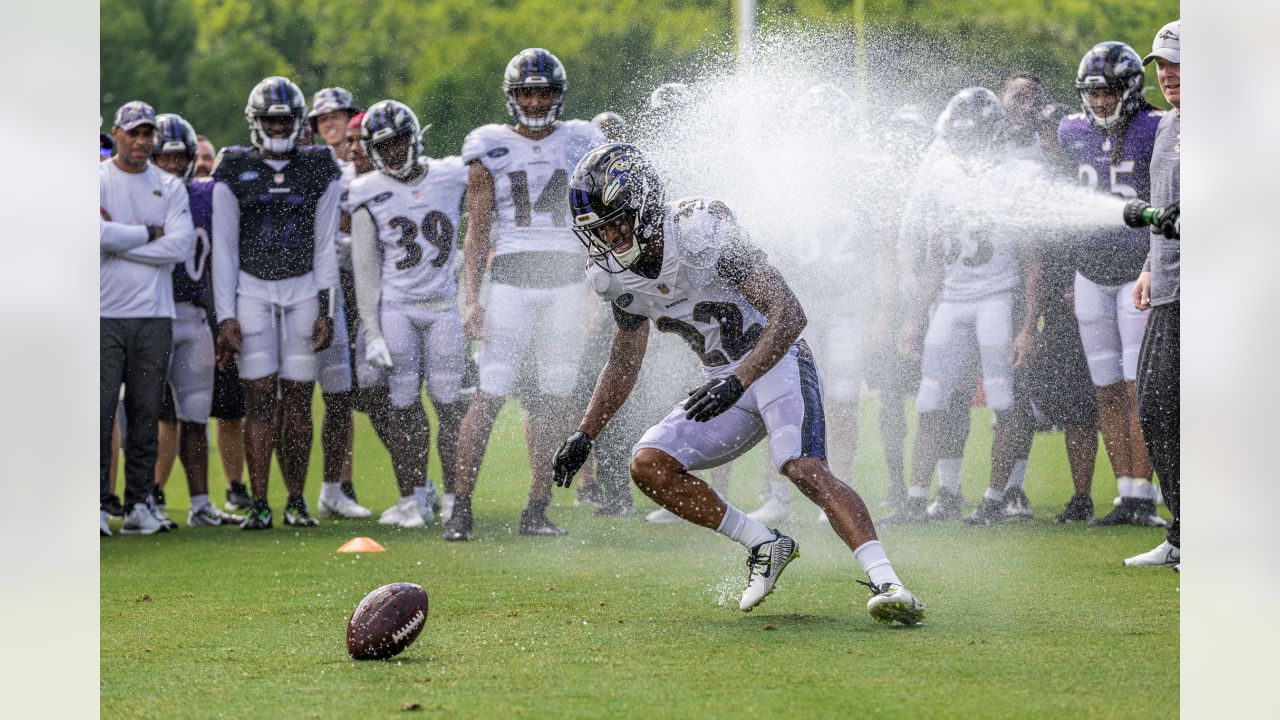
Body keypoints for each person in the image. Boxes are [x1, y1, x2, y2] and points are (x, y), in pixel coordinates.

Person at [551, 144, 923, 623]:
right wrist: (586, 433)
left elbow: (790, 314)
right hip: (723, 382)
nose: (610, 236)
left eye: (618, 220)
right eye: (600, 229)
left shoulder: (700, 233)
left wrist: (740, 378)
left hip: (777, 362)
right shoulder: (613, 278)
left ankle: (889, 583)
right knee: (648, 466)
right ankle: (764, 544)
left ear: (644, 203)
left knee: (802, 467)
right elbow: (623, 359)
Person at [444, 48, 606, 541]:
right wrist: (471, 298)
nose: (535, 101)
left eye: (544, 92)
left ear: (559, 95)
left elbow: (599, 223)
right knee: (489, 393)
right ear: (512, 97)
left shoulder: (583, 140)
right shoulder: (488, 145)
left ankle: (538, 506)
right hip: (511, 278)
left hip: (565, 278)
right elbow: (477, 230)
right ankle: (460, 507)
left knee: (556, 397)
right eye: (526, 92)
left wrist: (596, 293)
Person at [889, 88, 1043, 526]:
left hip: (998, 296)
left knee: (1003, 398)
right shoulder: (945, 175)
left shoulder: (1016, 176)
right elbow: (938, 255)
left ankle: (995, 497)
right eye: (960, 137)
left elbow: (1033, 258)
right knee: (930, 399)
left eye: (972, 137)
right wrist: (915, 317)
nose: (965, 144)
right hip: (952, 300)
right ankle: (918, 497)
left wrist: (1029, 325)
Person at [212, 76, 342, 529]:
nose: (279, 126)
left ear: (297, 121)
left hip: (304, 286)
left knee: (300, 400)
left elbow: (326, 244)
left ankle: (296, 500)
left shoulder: (319, 165)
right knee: (259, 397)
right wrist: (225, 315)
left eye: (285, 119)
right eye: (271, 119)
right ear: (256, 122)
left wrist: (326, 309)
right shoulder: (233, 166)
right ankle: (262, 502)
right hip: (252, 288)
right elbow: (224, 249)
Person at [348, 100, 470, 528]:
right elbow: (365, 268)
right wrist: (372, 330)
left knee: (450, 403)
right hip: (397, 307)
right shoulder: (366, 189)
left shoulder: (452, 173)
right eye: (385, 144)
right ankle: (413, 496)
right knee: (402, 402)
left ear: (415, 138)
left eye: (400, 140)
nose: (395, 150)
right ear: (371, 148)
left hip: (443, 307)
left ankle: (458, 497)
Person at [1059, 42, 1165, 527]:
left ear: (1129, 89)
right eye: (1093, 93)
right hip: (1089, 273)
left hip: (1135, 270)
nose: (1100, 102)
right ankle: (1125, 492)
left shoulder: (1156, 126)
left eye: (1109, 92)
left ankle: (1145, 492)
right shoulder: (1070, 131)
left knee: (1136, 386)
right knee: (1105, 388)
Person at [100, 100, 195, 535]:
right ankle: (97, 505)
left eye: (147, 134)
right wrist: (146, 233)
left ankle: (139, 503)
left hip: (154, 314)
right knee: (98, 415)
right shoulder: (97, 180)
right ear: (116, 133)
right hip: (103, 311)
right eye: (133, 133)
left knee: (144, 413)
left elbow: (178, 248)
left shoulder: (169, 186)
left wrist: (118, 242)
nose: (141, 141)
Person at [149, 113, 245, 526]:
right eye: (164, 158)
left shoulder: (207, 194)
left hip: (193, 315)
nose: (172, 165)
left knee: (194, 414)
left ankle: (200, 503)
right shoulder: (137, 194)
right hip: (149, 314)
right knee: (146, 417)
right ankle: (142, 500)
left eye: (178, 157)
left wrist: (223, 318)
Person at [1125, 19, 1180, 569]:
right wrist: (1147, 267)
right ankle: (1185, 535)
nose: (1168, 75)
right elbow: (1164, 209)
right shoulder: (1168, 127)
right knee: (1158, 407)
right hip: (1167, 288)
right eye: (1161, 65)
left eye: (1179, 64)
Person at [307, 86, 372, 520]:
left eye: (339, 115)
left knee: (349, 390)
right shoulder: (311, 167)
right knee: (292, 393)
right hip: (312, 282)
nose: (331, 122)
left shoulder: (367, 170)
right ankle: (309, 489)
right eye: (323, 117)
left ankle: (340, 481)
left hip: (358, 282)